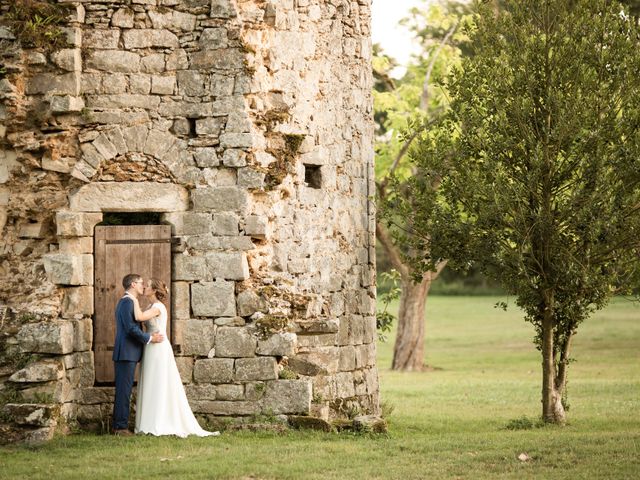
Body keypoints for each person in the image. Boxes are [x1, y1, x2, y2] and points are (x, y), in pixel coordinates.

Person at [132, 278, 219, 437]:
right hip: (151, 346)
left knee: (158, 381)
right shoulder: (151, 306)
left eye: (148, 285)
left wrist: (132, 298)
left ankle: (159, 421)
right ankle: (148, 421)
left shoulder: (157, 307)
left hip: (159, 349)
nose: (144, 287)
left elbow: (139, 317)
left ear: (154, 290)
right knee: (150, 380)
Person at [112, 273, 164, 436]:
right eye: (141, 283)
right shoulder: (127, 302)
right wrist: (149, 338)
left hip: (128, 353)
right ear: (133, 284)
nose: (143, 286)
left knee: (124, 390)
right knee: (124, 391)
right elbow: (131, 329)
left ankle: (119, 425)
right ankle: (120, 428)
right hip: (126, 353)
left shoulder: (128, 302)